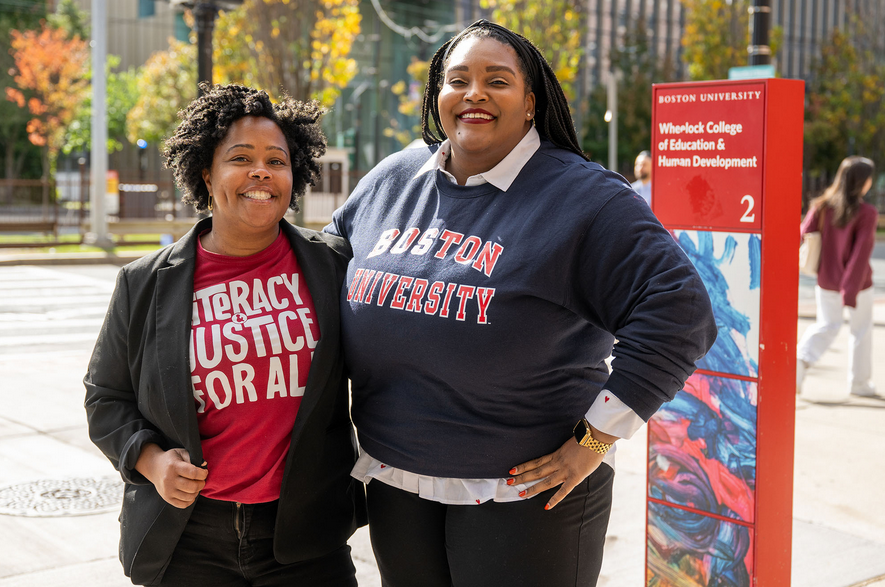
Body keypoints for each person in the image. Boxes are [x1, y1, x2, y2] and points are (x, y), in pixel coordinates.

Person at [325, 20, 717, 587]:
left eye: (497, 80)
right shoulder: (395, 178)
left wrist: (595, 439)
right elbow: (320, 269)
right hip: (396, 481)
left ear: (531, 102)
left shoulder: (583, 197)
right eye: (457, 79)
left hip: (524, 496)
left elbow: (679, 310)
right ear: (438, 98)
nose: (474, 92)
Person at [84, 83, 366, 587]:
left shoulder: (333, 266)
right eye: (241, 157)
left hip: (304, 540)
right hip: (188, 538)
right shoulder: (144, 282)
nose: (261, 171)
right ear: (206, 174)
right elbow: (105, 397)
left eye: (276, 160)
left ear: (292, 176)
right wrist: (151, 461)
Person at [796, 156, 878, 398]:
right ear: (862, 181)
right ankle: (859, 384)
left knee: (827, 325)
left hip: (826, 281)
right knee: (861, 331)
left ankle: (801, 361)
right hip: (858, 285)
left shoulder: (821, 206)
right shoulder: (867, 213)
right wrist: (850, 291)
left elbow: (803, 235)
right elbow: (860, 256)